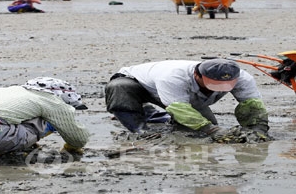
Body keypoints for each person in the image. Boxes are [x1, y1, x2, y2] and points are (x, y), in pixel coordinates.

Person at [105, 59, 270, 142]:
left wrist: (258, 129)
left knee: (195, 132)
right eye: (214, 84)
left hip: (184, 97)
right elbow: (179, 108)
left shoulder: (243, 78)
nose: (219, 88)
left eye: (225, 85)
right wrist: (213, 131)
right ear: (197, 75)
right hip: (139, 84)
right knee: (120, 87)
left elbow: (252, 105)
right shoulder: (173, 76)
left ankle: (150, 112)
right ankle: (139, 128)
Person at [0, 77, 89, 154]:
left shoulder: (7, 91)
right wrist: (72, 147)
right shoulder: (51, 100)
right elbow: (78, 137)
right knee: (52, 120)